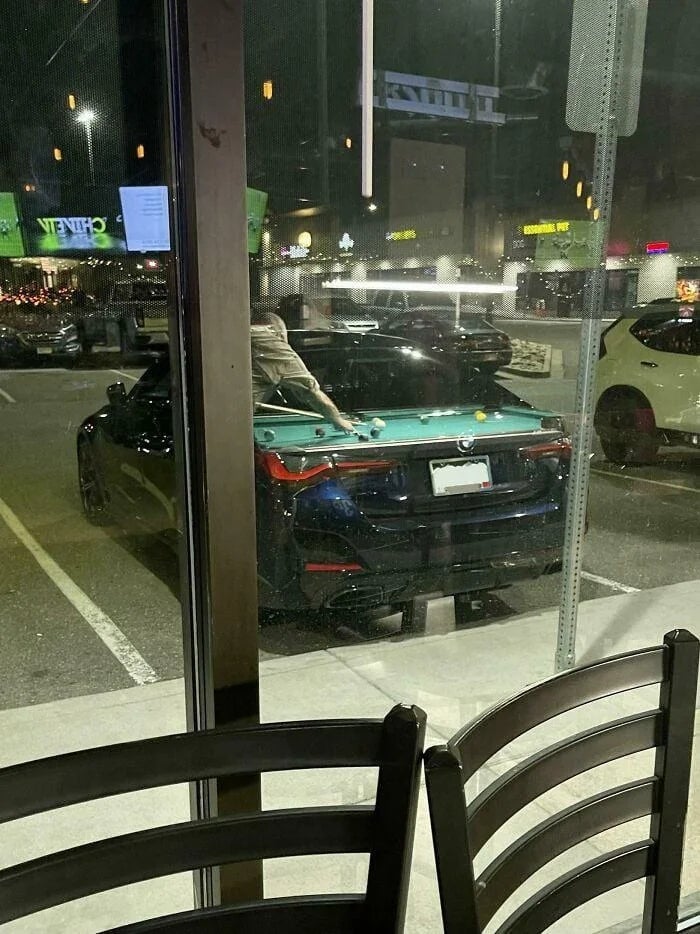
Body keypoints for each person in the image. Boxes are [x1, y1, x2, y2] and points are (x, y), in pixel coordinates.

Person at [250, 308, 356, 433]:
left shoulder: (245, 334)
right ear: (280, 333)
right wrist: (338, 420)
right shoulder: (270, 340)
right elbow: (310, 391)